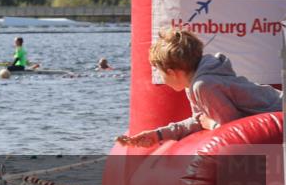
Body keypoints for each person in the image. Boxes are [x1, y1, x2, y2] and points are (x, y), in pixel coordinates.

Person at [117, 27, 283, 147]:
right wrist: (158, 134)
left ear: (172, 72)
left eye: (159, 72)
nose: (162, 78)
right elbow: (199, 120)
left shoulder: (204, 86)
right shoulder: (195, 83)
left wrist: (211, 125)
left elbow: (233, 129)